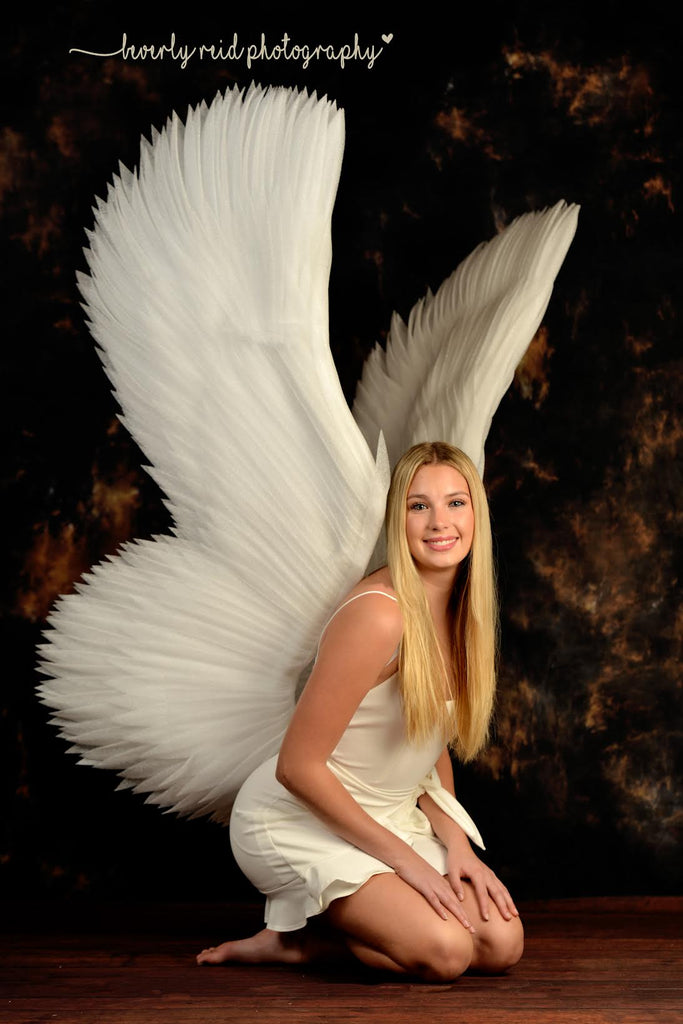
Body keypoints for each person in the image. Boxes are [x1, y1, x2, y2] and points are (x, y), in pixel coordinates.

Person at [197, 441, 524, 981]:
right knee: (447, 952)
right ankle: (296, 943)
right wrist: (409, 862)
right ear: (398, 519)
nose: (439, 522)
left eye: (455, 503)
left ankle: (311, 937)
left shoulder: (463, 612)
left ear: (476, 514)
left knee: (501, 944)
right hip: (299, 818)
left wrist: (457, 847)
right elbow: (296, 767)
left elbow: (428, 746)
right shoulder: (379, 615)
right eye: (418, 505)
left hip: (389, 814)